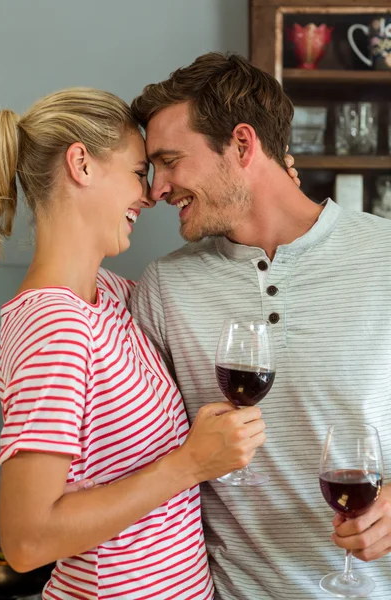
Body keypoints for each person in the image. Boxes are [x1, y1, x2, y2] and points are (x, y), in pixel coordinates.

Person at [130, 52, 391, 599]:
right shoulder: (162, 289)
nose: (156, 189)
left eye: (171, 161)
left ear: (242, 145)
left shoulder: (384, 258)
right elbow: (138, 462)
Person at [0, 87, 268, 600]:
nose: (148, 195)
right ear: (82, 164)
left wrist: (268, 195)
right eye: (140, 171)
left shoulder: (115, 296)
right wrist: (189, 464)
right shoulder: (52, 324)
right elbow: (27, 540)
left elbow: (206, 295)